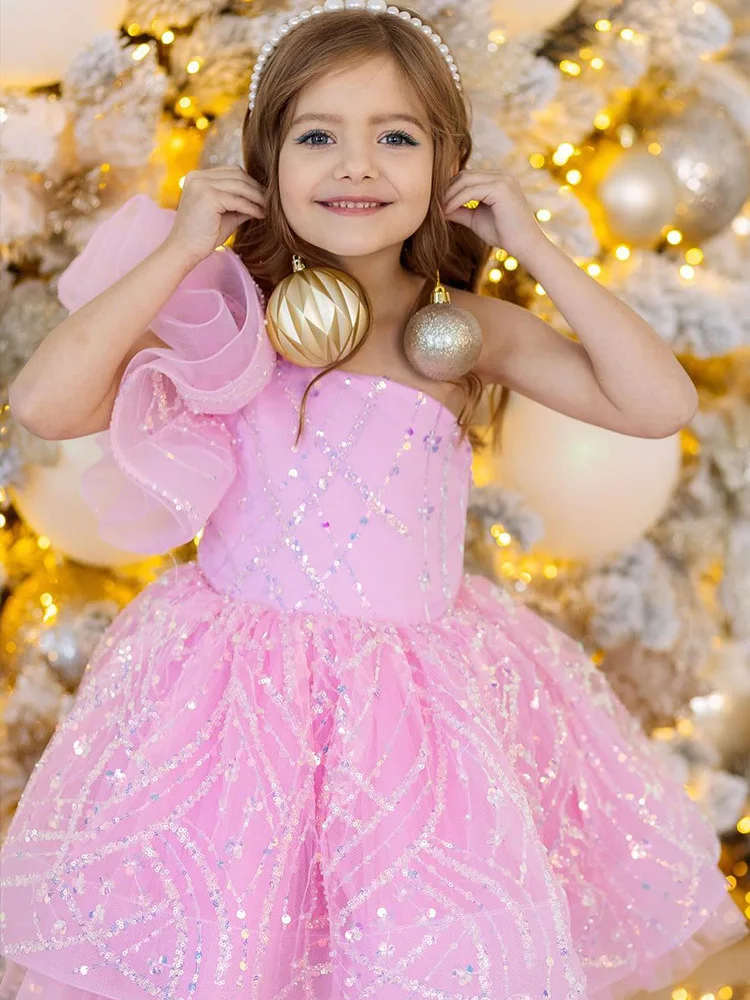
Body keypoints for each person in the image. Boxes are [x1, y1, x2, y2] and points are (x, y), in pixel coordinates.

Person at [1, 3, 747, 998]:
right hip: (234, 704)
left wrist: (534, 242)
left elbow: (656, 404)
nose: (357, 166)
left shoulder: (463, 331)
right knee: (231, 938)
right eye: (317, 136)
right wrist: (182, 248)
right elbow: (46, 404)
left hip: (416, 715)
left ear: (448, 169)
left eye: (396, 137)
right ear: (266, 167)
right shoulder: (233, 312)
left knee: (408, 945)